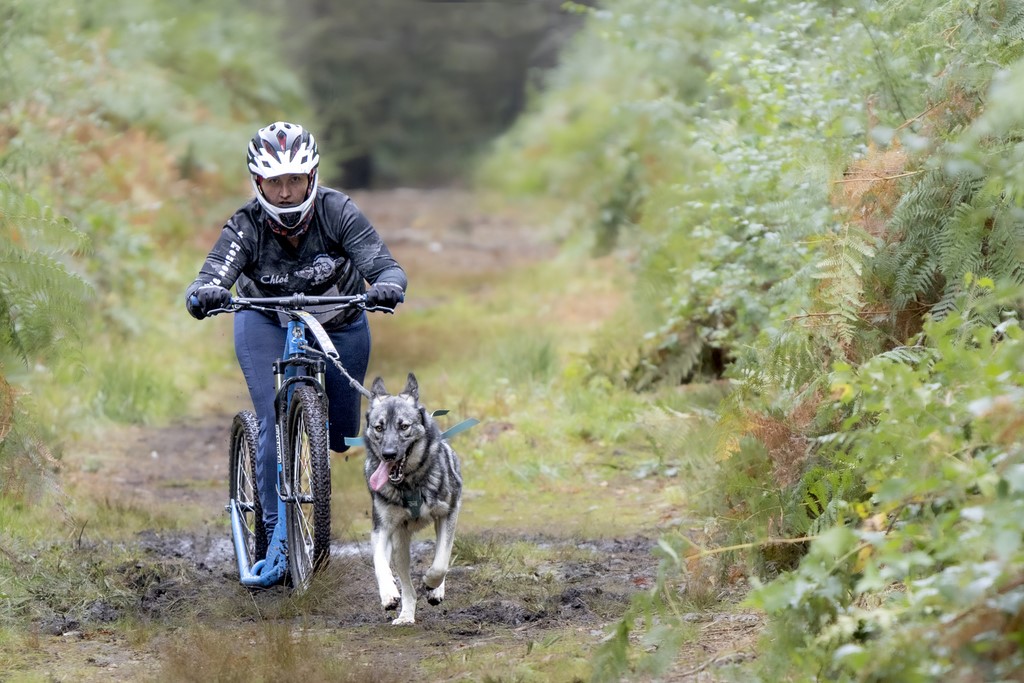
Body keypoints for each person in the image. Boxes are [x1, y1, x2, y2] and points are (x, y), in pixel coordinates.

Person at [185, 121, 406, 555]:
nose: (285, 193)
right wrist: (204, 293)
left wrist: (387, 285)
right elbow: (209, 276)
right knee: (271, 415)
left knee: (341, 435)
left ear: (312, 177)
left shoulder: (338, 211)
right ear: (258, 183)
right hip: (265, 320)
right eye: (274, 182)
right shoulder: (245, 226)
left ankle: (319, 442)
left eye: (294, 180)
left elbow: (386, 266)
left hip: (340, 320)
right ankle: (272, 535)